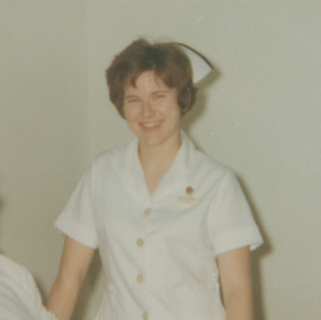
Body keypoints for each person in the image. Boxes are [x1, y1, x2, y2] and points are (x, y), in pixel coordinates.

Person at [47, 39, 263, 320]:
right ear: (121, 106)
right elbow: (69, 278)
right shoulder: (100, 174)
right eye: (134, 99)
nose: (147, 112)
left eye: (159, 96)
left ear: (181, 98)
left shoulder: (218, 183)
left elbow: (237, 291)